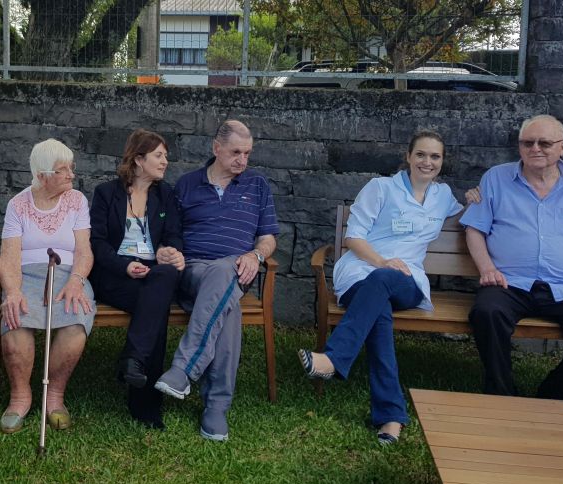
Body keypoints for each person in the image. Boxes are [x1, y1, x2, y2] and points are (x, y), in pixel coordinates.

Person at [297, 130, 468, 445]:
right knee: (380, 309)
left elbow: (472, 217)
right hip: (362, 273)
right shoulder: (381, 188)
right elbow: (353, 238)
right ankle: (391, 416)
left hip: (407, 282)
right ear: (408, 156)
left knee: (383, 285)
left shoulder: (443, 197)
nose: (427, 162)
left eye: (435, 156)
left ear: (442, 162)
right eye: (421, 154)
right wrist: (381, 261)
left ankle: (334, 358)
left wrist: (476, 199)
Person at [461, 114, 563, 400]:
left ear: (562, 147)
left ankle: (556, 394)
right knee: (487, 312)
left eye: (544, 142)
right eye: (527, 142)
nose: (536, 148)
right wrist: (487, 269)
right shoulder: (496, 178)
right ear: (519, 147)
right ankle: (501, 394)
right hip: (510, 283)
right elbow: (475, 229)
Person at [153, 120, 279, 442]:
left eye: (247, 153)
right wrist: (168, 252)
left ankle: (183, 370)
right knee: (229, 307)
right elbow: (171, 234)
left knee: (226, 274)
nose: (242, 160)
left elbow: (267, 238)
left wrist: (256, 256)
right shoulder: (187, 185)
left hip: (240, 268)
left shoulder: (258, 185)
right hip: (193, 270)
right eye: (236, 152)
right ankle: (216, 408)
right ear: (216, 148)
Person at [0, 138, 95, 433]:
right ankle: (20, 397)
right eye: (62, 170)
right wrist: (13, 291)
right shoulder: (18, 204)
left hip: (68, 274)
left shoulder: (77, 200)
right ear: (41, 176)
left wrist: (77, 281)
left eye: (71, 168)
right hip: (26, 274)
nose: (71, 175)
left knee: (75, 326)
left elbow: (84, 251)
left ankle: (54, 395)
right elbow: (8, 256)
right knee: (16, 323)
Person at [89, 129, 184, 429]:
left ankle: (132, 360)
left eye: (165, 156)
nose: (165, 161)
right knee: (155, 305)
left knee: (163, 278)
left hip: (154, 273)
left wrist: (171, 252)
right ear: (139, 159)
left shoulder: (166, 195)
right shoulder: (107, 193)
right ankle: (145, 404)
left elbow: (173, 237)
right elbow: (97, 243)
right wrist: (125, 266)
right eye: (159, 155)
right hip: (116, 276)